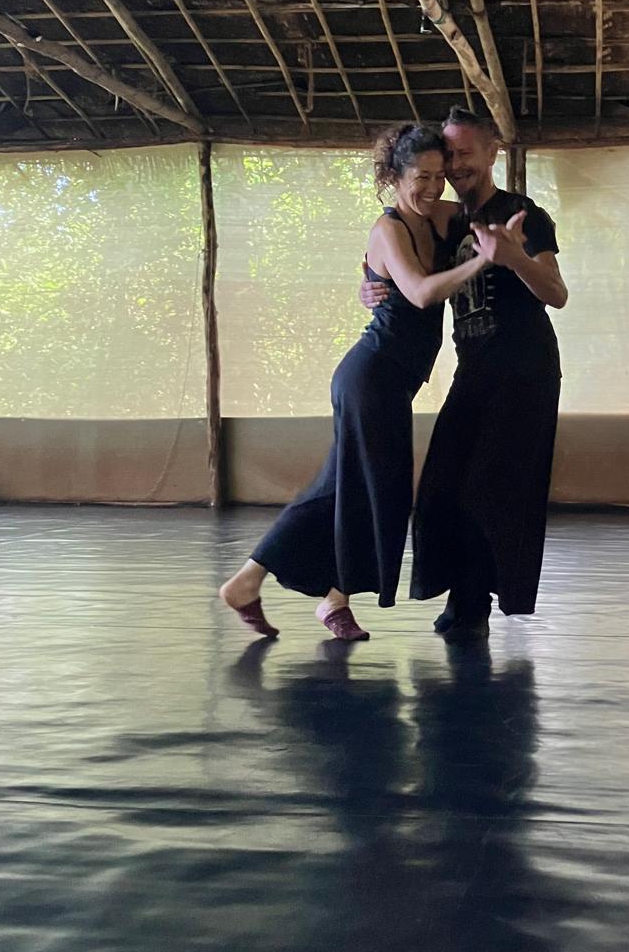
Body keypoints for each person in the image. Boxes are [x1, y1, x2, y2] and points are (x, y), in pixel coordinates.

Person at [219, 122, 498, 642]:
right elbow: (419, 292)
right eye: (420, 177)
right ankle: (295, 591)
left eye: (439, 176)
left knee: (349, 487)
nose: (432, 187)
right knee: (371, 490)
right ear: (396, 176)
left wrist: (365, 281)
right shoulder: (389, 229)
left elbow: (482, 210)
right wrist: (483, 260)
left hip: (392, 383)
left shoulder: (440, 216)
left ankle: (297, 592)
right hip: (370, 376)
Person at [362, 106, 568, 639]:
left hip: (524, 372)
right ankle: (464, 597)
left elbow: (556, 293)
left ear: (493, 152)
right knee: (439, 488)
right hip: (475, 370)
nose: (455, 166)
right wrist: (368, 283)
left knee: (490, 490)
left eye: (464, 154)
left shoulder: (523, 213)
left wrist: (515, 257)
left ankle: (472, 606)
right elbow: (397, 249)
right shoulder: (449, 218)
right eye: (448, 156)